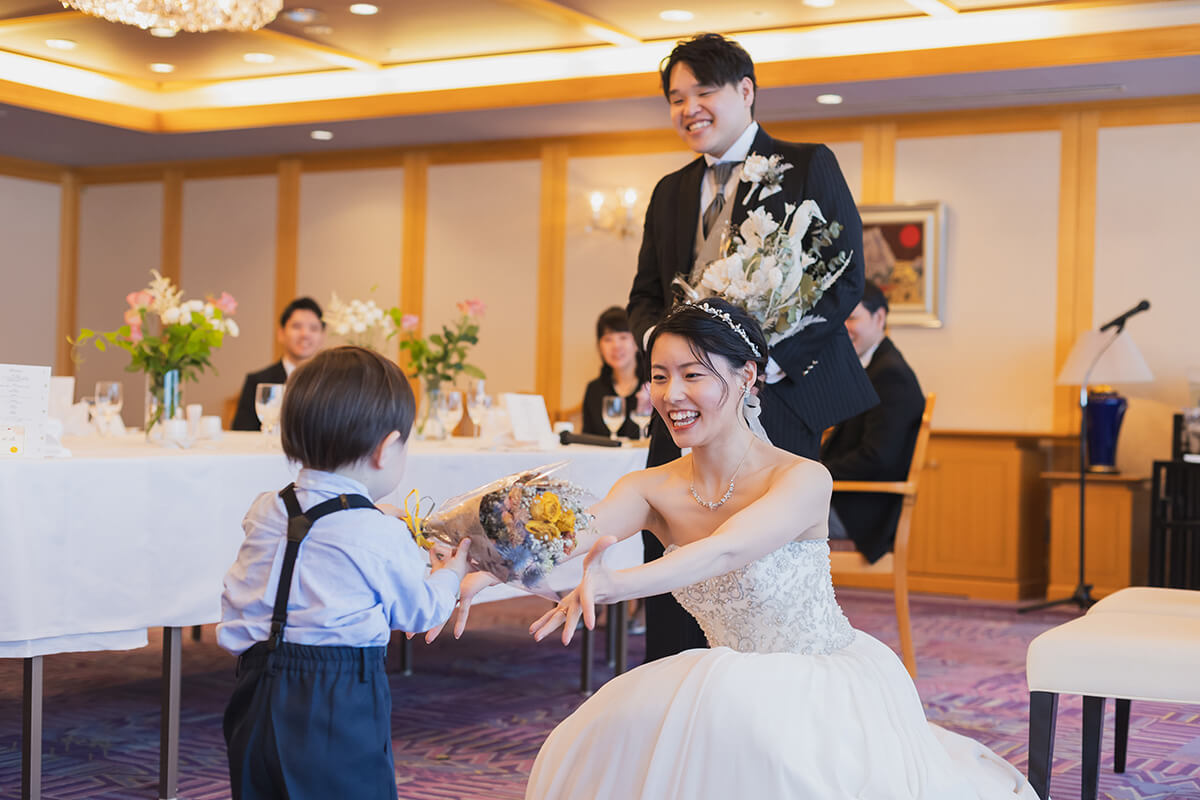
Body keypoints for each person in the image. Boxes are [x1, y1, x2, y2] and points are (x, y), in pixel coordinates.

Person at [514, 299, 1036, 799]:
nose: (670, 394)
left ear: (747, 377)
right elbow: (569, 533)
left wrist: (615, 585)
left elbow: (725, 551)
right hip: (726, 676)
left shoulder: (803, 477)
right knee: (604, 739)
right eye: (658, 376)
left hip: (821, 685)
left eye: (693, 375)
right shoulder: (650, 487)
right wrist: (479, 562)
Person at [626, 32, 878, 660]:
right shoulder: (669, 191)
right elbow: (644, 296)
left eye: (702, 92)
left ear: (745, 91)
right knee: (673, 539)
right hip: (684, 400)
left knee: (759, 559)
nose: (689, 109)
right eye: (676, 98)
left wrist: (766, 364)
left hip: (781, 395)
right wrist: (670, 362)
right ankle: (676, 684)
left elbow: (844, 280)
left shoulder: (808, 162)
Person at [218, 346, 471, 800]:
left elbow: (315, 538)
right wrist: (452, 572)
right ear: (386, 449)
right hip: (336, 703)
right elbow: (422, 612)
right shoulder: (375, 531)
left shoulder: (267, 508)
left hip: (254, 693)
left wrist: (371, 518)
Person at [823, 280, 926, 562]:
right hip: (848, 500)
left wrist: (816, 473)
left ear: (879, 317)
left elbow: (878, 457)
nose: (843, 327)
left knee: (769, 516)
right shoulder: (873, 367)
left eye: (852, 317)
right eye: (839, 319)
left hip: (861, 511)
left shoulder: (890, 375)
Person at [231, 297, 325, 431]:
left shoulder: (331, 382)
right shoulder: (257, 381)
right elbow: (242, 431)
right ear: (281, 333)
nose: (305, 334)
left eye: (314, 328)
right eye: (297, 326)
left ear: (322, 336)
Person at [581, 306, 648, 439]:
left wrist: (642, 411)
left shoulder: (650, 386)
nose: (616, 346)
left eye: (623, 337)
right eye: (608, 339)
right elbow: (587, 440)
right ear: (599, 346)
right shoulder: (594, 389)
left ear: (636, 343)